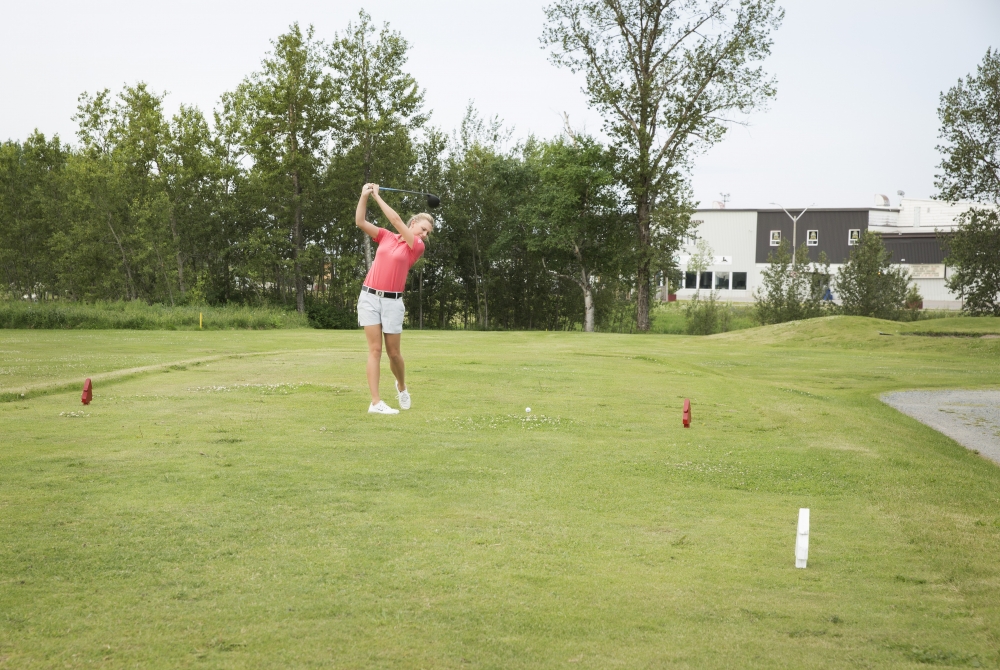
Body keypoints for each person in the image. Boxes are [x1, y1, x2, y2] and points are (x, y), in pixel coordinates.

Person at [355, 183, 433, 414]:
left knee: (394, 353)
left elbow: (397, 220)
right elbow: (360, 221)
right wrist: (364, 196)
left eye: (428, 232)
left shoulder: (416, 246)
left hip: (392, 302)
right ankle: (376, 402)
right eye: (423, 228)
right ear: (415, 223)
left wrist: (377, 196)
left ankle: (401, 385)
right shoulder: (386, 237)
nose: (425, 234)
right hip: (369, 297)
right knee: (375, 351)